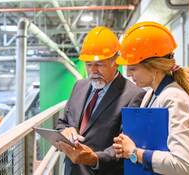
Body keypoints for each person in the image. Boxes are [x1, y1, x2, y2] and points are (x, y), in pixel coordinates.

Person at [112, 21, 189, 174]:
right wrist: (126, 145)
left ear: (153, 66)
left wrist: (134, 152)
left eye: (133, 68)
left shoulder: (175, 98)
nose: (127, 74)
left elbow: (184, 165)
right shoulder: (150, 94)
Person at [55, 26, 145, 175]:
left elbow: (124, 146)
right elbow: (62, 123)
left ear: (115, 62)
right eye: (89, 64)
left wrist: (94, 159)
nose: (93, 70)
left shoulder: (134, 96)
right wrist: (66, 130)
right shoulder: (79, 86)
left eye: (99, 64)